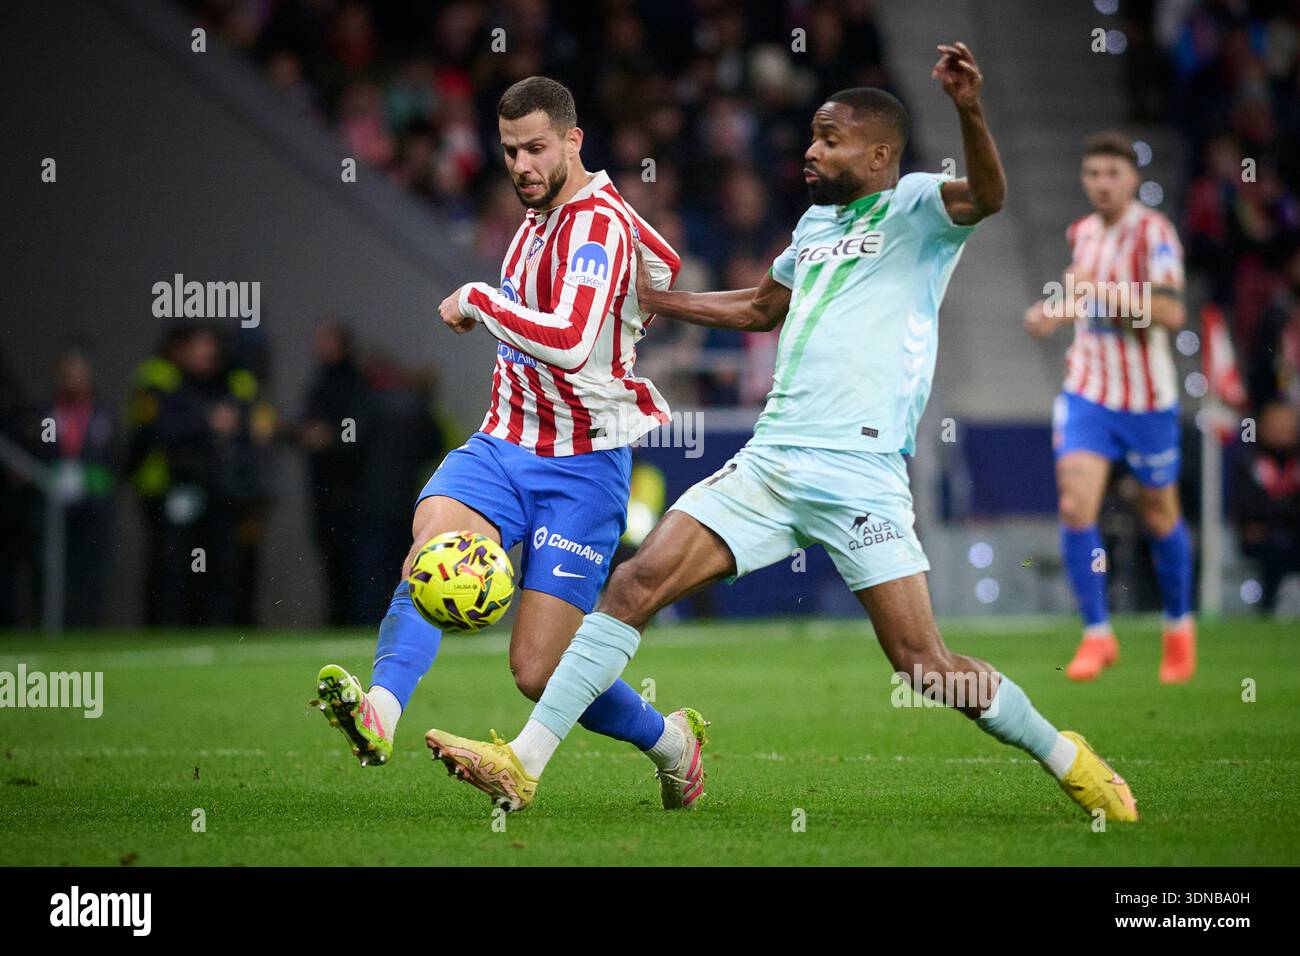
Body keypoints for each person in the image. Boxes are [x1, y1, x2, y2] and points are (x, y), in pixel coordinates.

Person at [425, 44, 1139, 824]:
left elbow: (992, 196)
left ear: (878, 153)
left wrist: (968, 109)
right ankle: (524, 764)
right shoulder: (816, 225)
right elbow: (762, 308)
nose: (810, 149)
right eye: (811, 135)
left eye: (829, 139)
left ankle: (1064, 754)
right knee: (633, 586)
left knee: (925, 666)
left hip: (860, 468)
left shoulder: (916, 209)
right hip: (771, 458)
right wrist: (658, 299)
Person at [314, 76, 710, 811]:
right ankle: (381, 713)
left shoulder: (597, 227)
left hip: (583, 468)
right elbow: (662, 266)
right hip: (504, 443)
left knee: (538, 669)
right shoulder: (540, 218)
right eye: (508, 151)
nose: (521, 165)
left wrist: (478, 299)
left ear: (572, 140)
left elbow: (567, 341)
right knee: (432, 551)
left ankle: (670, 742)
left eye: (535, 148)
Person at [1024, 132, 1195, 684]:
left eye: (1112, 174)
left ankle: (1178, 629)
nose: (1102, 184)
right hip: (1088, 392)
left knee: (1158, 513)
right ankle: (1097, 634)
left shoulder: (1154, 232)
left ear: (1132, 179)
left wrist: (1100, 290)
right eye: (1093, 174)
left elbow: (1170, 314)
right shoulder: (1083, 233)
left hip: (1146, 399)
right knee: (1076, 505)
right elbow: (1084, 300)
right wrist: (1054, 311)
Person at [1234, 401, 1300, 612]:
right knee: (1275, 547)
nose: (1281, 428)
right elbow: (1245, 505)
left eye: (1286, 422)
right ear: (1262, 426)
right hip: (1262, 537)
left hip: (1292, 533)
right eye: (1275, 422)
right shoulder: (1249, 460)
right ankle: (1268, 606)